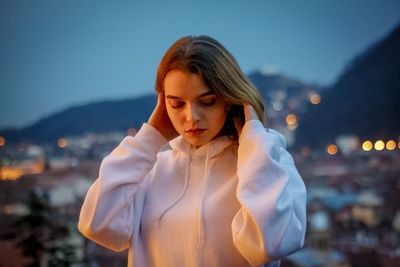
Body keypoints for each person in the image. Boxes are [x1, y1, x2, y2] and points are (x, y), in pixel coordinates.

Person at [78, 35, 307, 267]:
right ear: (162, 105)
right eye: (176, 104)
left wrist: (255, 142)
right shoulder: (150, 169)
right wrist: (148, 138)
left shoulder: (269, 162)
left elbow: (271, 244)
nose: (191, 117)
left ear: (231, 99)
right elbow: (97, 225)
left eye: (207, 101)